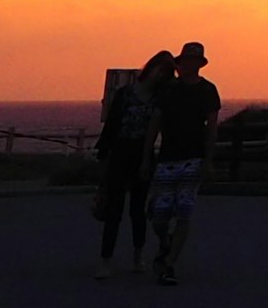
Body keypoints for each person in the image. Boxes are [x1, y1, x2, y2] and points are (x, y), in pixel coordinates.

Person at [147, 41, 219, 285]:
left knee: (184, 213)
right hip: (168, 157)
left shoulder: (208, 90)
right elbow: (155, 123)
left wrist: (208, 160)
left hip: (193, 158)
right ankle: (166, 242)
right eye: (186, 60)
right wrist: (146, 155)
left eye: (193, 61)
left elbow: (212, 127)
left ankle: (169, 264)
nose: (189, 65)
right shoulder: (168, 91)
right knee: (159, 215)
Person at [90, 52, 166, 279]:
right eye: (159, 68)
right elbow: (112, 124)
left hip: (142, 153)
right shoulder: (125, 94)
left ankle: (137, 256)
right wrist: (103, 153)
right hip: (120, 152)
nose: (161, 74)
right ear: (150, 68)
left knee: (137, 210)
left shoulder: (160, 98)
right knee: (114, 209)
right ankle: (106, 260)